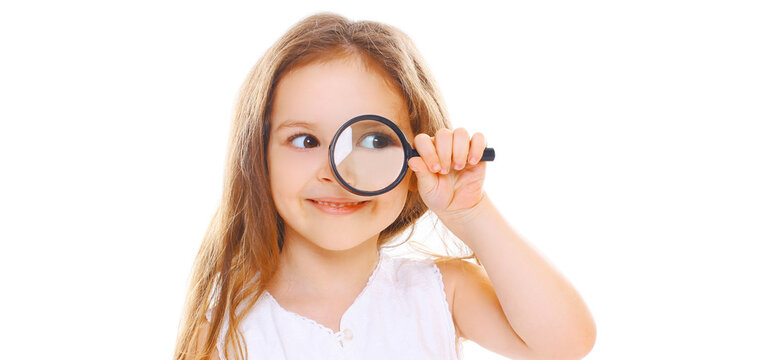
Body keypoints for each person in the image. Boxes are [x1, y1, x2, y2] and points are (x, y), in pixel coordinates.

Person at [174, 12, 596, 360]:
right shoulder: (225, 332)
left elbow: (565, 345)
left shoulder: (441, 292)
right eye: (305, 140)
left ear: (417, 159)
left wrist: (471, 212)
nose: (337, 172)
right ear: (257, 159)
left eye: (374, 141)